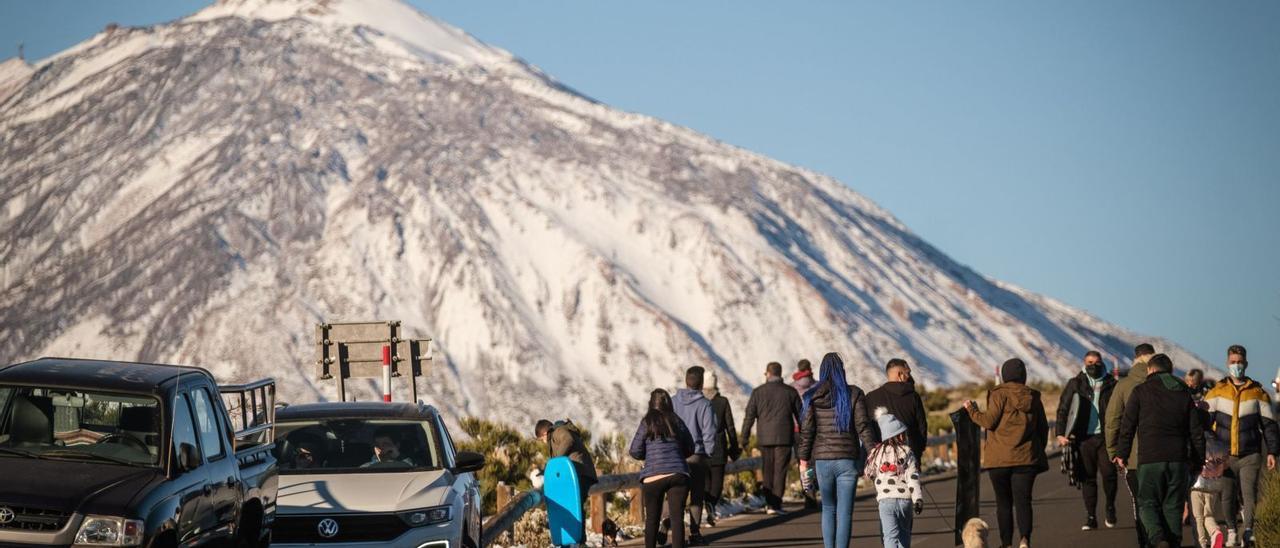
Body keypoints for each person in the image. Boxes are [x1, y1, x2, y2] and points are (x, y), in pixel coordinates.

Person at [1115, 353, 1207, 548]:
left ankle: (1157, 538)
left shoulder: (1141, 391)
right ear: (1170, 371)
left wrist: (1122, 453)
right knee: (1173, 507)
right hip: (1178, 460)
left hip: (1150, 459)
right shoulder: (1184, 394)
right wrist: (1198, 461)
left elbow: (1127, 426)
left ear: (1151, 370)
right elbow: (1196, 432)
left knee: (1147, 503)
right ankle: (1173, 543)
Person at [963, 358, 1049, 548]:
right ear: (1023, 375)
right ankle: (1024, 540)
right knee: (1023, 501)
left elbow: (989, 422)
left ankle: (1006, 544)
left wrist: (972, 411)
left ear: (1004, 375)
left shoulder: (998, 394)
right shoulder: (1033, 397)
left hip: (999, 460)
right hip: (1026, 459)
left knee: (1003, 503)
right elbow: (1043, 429)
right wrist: (1036, 450)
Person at [796, 352, 877, 548]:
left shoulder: (811, 396)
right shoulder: (854, 393)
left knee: (828, 508)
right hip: (847, 460)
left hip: (822, 461)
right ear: (842, 370)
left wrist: (803, 461)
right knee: (845, 512)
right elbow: (863, 426)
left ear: (822, 372)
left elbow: (807, 432)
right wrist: (873, 451)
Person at [1203, 344, 1279, 546]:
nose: (1236, 365)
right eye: (1233, 362)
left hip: (1250, 455)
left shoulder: (1258, 392)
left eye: (1239, 362)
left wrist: (1273, 451)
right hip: (1224, 456)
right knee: (1227, 497)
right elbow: (1203, 423)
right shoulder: (1216, 392)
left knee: (1250, 494)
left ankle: (1248, 530)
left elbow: (1269, 425)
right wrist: (1209, 447)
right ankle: (1231, 531)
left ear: (1246, 363)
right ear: (1227, 364)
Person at [1055, 350, 1118, 530]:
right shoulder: (1076, 383)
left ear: (1102, 363)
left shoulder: (1111, 383)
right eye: (1090, 362)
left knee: (1109, 475)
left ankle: (1110, 506)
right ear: (1084, 363)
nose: (1093, 365)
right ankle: (1091, 517)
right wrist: (1061, 433)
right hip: (1083, 438)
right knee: (1088, 478)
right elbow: (1064, 409)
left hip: (1105, 437)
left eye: (1097, 362)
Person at [629, 389, 696, 548]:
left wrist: (648, 456)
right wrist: (679, 455)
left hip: (653, 476)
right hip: (678, 473)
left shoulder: (647, 422)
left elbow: (634, 450)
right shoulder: (676, 420)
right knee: (677, 518)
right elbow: (691, 447)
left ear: (651, 404)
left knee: (652, 519)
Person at [1105, 342, 1156, 547]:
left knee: (1141, 502)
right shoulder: (1172, 384)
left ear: (1135, 359)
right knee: (1166, 503)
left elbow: (1112, 421)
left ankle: (1146, 540)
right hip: (1168, 455)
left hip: (1134, 458)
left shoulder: (1124, 385)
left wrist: (1113, 452)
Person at [741, 361, 803, 515]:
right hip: (784, 437)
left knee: (767, 469)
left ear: (768, 374)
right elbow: (801, 416)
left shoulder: (757, 392)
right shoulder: (790, 392)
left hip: (764, 437)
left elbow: (749, 416)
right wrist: (805, 436)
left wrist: (744, 437)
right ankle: (776, 503)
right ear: (780, 374)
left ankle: (769, 502)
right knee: (780, 470)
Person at [865, 408, 923, 548]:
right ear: (899, 435)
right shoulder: (907, 452)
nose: (904, 437)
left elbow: (868, 473)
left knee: (890, 537)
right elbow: (913, 477)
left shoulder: (876, 453)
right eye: (902, 434)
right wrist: (918, 498)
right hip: (905, 500)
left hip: (886, 501)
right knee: (904, 535)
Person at [673, 366, 718, 545]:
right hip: (696, 456)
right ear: (701, 383)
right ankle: (694, 532)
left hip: (675, 455)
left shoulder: (672, 401)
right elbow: (709, 432)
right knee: (696, 496)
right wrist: (709, 453)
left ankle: (667, 522)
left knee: (675, 494)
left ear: (686, 380)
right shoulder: (705, 404)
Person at [866, 358, 928, 462]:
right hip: (910, 456)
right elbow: (922, 427)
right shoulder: (913, 397)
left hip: (883, 459)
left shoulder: (871, 397)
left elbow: (867, 429)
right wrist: (918, 452)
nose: (909, 376)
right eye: (908, 373)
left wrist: (873, 452)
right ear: (900, 374)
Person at [703, 371, 741, 526]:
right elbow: (730, 427)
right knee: (717, 483)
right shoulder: (723, 402)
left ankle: (708, 505)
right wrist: (734, 447)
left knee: (705, 482)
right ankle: (711, 505)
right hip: (719, 446)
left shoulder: (698, 402)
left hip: (702, 447)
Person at [534, 418, 599, 500]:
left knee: (574, 506)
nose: (543, 442)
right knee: (577, 506)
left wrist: (554, 462)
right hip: (580, 473)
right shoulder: (559, 431)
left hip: (578, 473)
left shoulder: (557, 431)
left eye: (541, 439)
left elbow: (568, 440)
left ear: (545, 434)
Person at [1190, 437, 1230, 548]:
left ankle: (1202, 543)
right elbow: (1226, 465)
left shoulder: (1196, 442)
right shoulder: (1220, 444)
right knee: (1208, 514)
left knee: (1198, 517)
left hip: (1197, 485)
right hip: (1214, 486)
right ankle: (1215, 532)